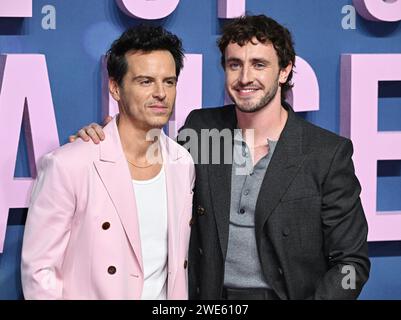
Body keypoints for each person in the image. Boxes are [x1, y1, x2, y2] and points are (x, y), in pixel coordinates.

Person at [73, 15, 370, 300]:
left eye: (259, 64)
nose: (245, 78)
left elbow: (352, 264)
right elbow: (146, 163)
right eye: (234, 65)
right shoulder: (202, 130)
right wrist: (99, 141)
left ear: (284, 70)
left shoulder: (324, 153)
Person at [21, 25, 195, 300]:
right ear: (115, 87)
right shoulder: (69, 164)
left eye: (169, 81)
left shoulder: (182, 163)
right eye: (145, 81)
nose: (161, 93)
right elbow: (40, 271)